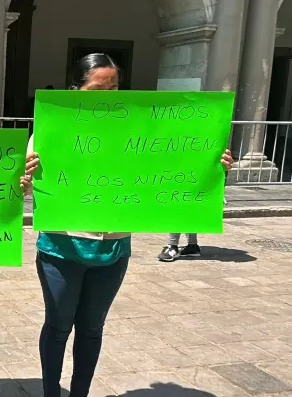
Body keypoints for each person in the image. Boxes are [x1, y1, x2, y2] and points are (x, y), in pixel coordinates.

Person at [19, 53, 233, 397]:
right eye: (97, 89)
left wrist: (213, 165)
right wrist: (24, 178)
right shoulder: (49, 132)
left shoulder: (137, 130)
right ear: (76, 89)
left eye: (114, 87)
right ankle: (50, 393)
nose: (108, 96)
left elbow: (175, 163)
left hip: (113, 251)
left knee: (91, 329)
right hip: (61, 249)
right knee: (58, 327)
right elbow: (25, 189)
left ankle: (80, 393)